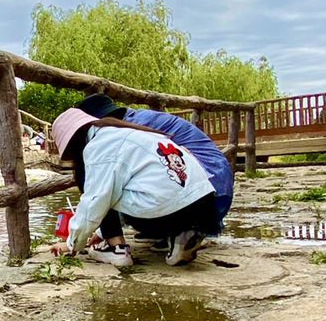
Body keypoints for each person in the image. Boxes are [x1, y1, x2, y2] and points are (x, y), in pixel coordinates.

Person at [49, 106, 217, 268]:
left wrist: (72, 244)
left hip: (170, 209)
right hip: (204, 203)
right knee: (117, 187)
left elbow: (95, 200)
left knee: (104, 193)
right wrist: (100, 232)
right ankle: (183, 235)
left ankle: (117, 249)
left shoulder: (99, 147)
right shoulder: (124, 133)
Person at [75, 94, 234, 249]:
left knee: (112, 188)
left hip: (202, 192)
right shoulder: (140, 119)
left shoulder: (119, 133)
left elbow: (105, 189)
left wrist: (98, 231)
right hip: (219, 191)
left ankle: (182, 229)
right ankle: (186, 231)